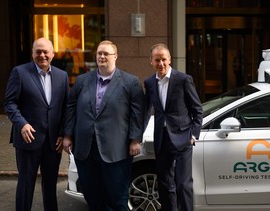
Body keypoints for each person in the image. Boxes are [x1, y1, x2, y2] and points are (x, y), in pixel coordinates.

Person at [63, 40, 145, 210]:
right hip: (85, 150)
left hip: (116, 150)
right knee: (92, 197)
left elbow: (138, 114)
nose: (102, 56)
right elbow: (71, 108)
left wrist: (135, 139)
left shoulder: (131, 82)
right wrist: (67, 135)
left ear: (115, 56)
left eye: (106, 54)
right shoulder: (82, 81)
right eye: (99, 53)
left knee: (116, 198)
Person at [4, 37, 69, 211]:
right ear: (32, 53)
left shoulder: (62, 76)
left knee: (50, 188)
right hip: (28, 140)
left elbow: (65, 107)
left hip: (52, 143)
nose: (42, 55)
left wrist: (63, 133)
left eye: (45, 51)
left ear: (53, 54)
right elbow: (10, 103)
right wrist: (21, 124)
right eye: (38, 51)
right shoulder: (19, 72)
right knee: (26, 186)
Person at [144, 43, 203, 211]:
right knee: (164, 184)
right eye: (157, 60)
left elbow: (197, 110)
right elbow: (147, 112)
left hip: (183, 138)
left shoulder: (183, 80)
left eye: (164, 59)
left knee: (183, 184)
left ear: (169, 60)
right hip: (161, 140)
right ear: (151, 61)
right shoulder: (149, 83)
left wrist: (193, 135)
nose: (161, 64)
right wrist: (137, 135)